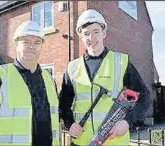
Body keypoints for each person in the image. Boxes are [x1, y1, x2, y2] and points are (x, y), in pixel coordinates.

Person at [59, 9, 151, 146]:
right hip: (82, 142)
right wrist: (69, 124)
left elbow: (144, 96)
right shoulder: (72, 68)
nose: (91, 38)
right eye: (86, 34)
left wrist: (127, 121)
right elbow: (63, 104)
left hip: (114, 142)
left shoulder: (121, 62)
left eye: (96, 32)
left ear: (104, 33)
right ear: (81, 37)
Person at [0, 21, 60, 146]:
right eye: (26, 42)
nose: (32, 46)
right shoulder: (0, 76)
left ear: (42, 45)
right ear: (16, 44)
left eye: (37, 42)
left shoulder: (49, 79)